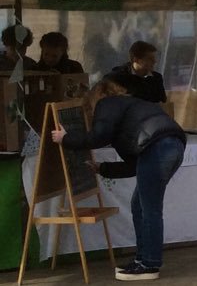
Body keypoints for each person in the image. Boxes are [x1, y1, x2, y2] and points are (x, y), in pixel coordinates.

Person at [52, 79, 185, 281]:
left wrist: (66, 138)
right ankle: (145, 259)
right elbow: (135, 166)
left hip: (156, 147)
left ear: (95, 100)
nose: (91, 115)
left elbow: (99, 136)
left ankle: (149, 264)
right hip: (172, 145)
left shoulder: (107, 104)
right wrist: (103, 168)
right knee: (140, 206)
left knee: (149, 209)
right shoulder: (129, 107)